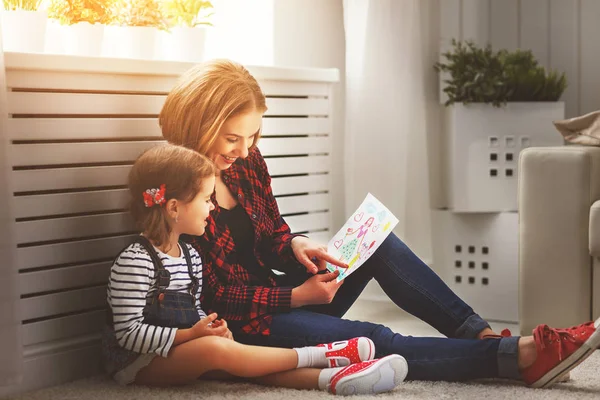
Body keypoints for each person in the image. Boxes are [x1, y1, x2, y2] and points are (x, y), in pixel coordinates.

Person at [159, 59, 600, 388]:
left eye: (253, 136)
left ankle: (480, 336)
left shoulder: (245, 164)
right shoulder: (179, 186)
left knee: (378, 243)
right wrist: (294, 297)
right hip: (245, 327)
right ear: (201, 124)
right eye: (233, 137)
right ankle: (518, 356)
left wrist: (296, 244)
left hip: (279, 299)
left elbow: (272, 231)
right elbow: (212, 295)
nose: (244, 149)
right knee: (371, 336)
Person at [101, 143, 409, 395]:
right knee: (215, 351)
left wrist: (209, 327)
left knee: (247, 363)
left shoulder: (191, 255)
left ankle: (333, 379)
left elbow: (194, 311)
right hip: (140, 363)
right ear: (172, 208)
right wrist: (193, 336)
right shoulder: (136, 261)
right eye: (207, 199)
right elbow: (129, 335)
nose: (212, 207)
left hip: (184, 350)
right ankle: (321, 354)